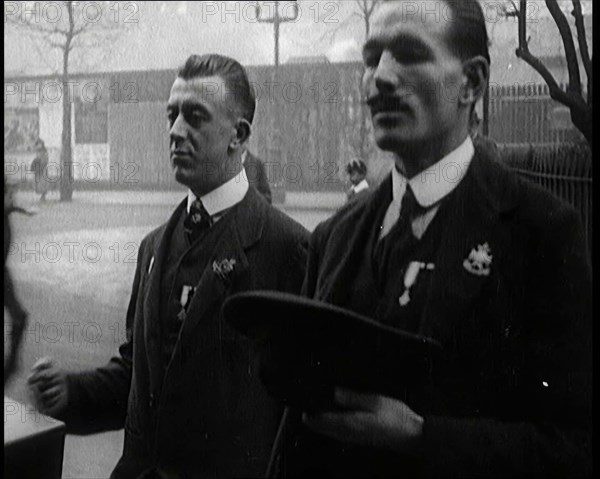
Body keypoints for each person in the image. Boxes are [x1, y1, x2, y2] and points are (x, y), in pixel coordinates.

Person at [275, 1, 592, 477]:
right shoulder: (334, 237)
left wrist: (422, 437)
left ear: (472, 83)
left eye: (408, 54)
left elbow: (575, 446)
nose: (378, 77)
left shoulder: (542, 233)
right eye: (371, 57)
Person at [28, 54, 309, 479]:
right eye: (172, 115)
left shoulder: (288, 249)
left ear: (239, 134)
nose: (176, 131)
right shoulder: (154, 247)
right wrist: (71, 393)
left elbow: (301, 413)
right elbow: (138, 376)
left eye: (195, 117)